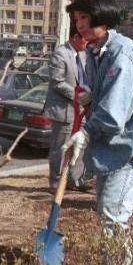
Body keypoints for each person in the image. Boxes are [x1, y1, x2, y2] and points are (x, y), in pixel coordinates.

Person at [61, 0, 133, 265]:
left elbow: (116, 109)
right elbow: (106, 96)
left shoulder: (121, 51)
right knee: (108, 214)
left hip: (132, 146)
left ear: (102, 16)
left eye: (85, 17)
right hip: (115, 146)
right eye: (77, 18)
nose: (80, 24)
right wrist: (90, 95)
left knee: (113, 215)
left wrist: (86, 132)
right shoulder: (97, 51)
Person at [42, 21, 91, 193]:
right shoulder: (60, 54)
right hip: (64, 111)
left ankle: (75, 180)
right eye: (85, 40)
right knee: (60, 148)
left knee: (81, 145)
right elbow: (57, 82)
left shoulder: (84, 55)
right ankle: (56, 183)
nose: (87, 44)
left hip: (82, 110)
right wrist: (77, 95)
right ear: (75, 37)